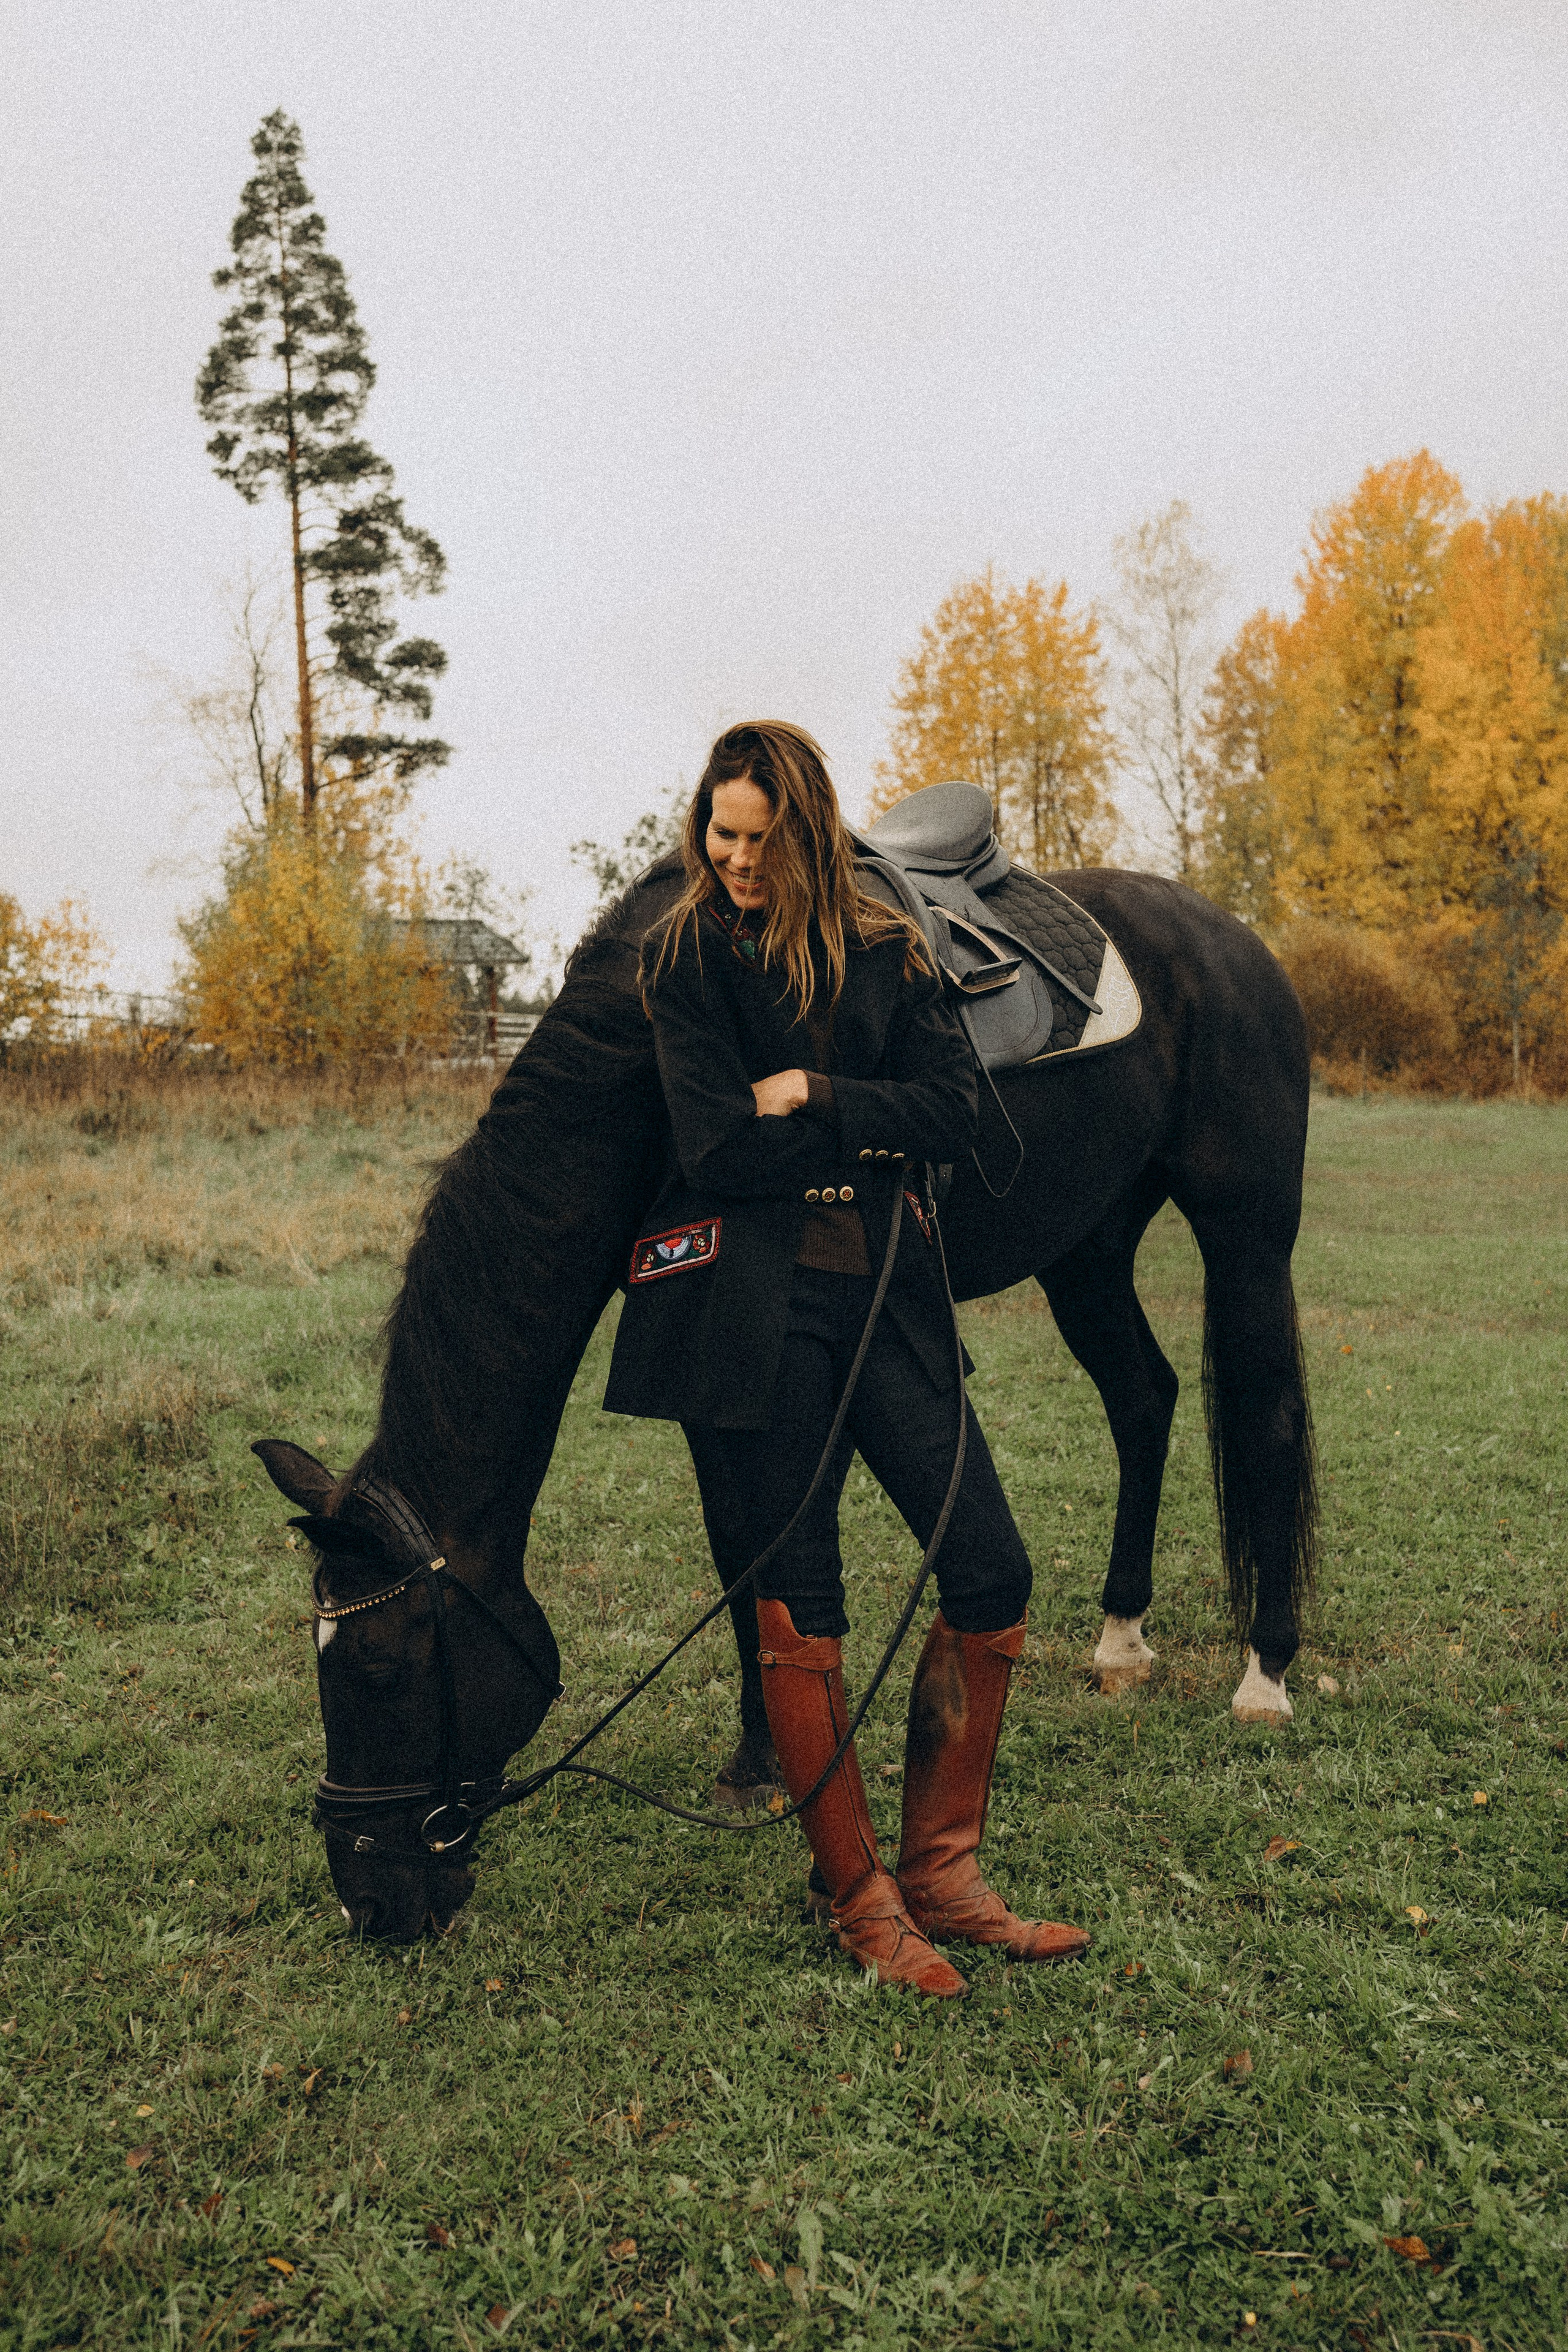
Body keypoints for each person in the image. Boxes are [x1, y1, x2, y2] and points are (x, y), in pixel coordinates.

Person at [603, 722, 1088, 1998]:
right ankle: (857, 1896)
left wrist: (814, 1097)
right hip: (754, 1314)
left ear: (809, 834)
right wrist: (867, 1133)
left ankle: (943, 1875)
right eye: (721, 834)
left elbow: (955, 1115)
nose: (738, 859)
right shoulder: (683, 958)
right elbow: (713, 1149)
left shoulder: (885, 948)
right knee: (800, 1599)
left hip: (888, 1297)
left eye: (761, 839)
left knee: (989, 1564)